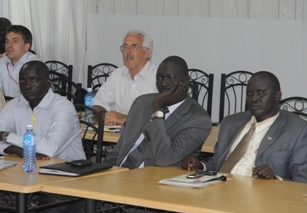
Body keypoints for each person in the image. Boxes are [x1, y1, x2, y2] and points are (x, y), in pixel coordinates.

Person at [182, 71, 307, 183]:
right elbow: (217, 164)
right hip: (218, 190)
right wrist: (200, 166)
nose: (254, 99)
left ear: (277, 96)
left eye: (261, 93)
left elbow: (302, 181)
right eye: (249, 94)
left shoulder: (298, 130)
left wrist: (275, 180)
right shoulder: (230, 123)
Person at [103, 55, 212, 169]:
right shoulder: (141, 103)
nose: (163, 83)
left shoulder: (198, 119)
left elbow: (164, 158)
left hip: (151, 180)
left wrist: (157, 110)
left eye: (170, 78)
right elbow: (119, 150)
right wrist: (108, 171)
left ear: (186, 81)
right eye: (159, 78)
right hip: (119, 174)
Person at [0, 61, 85, 161]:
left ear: (47, 83)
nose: (27, 85)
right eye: (23, 81)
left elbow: (50, 149)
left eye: (33, 80)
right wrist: (14, 149)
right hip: (30, 169)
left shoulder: (63, 107)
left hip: (69, 171)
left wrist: (7, 136)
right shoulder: (14, 105)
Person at [93, 30, 158, 126]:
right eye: (125, 46)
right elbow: (98, 105)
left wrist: (126, 119)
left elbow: (161, 117)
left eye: (134, 46)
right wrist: (106, 117)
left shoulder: (159, 76)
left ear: (147, 53)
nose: (128, 51)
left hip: (146, 138)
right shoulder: (117, 74)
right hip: (116, 136)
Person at [0, 25, 40, 99]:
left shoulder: (34, 65)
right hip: (7, 107)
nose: (9, 45)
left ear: (26, 47)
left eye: (15, 41)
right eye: (7, 41)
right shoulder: (2, 62)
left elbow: (34, 98)